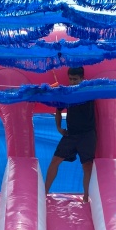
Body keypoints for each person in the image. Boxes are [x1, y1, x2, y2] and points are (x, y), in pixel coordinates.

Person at [44, 67, 97, 203]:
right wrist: (58, 127)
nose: (72, 82)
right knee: (55, 161)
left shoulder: (89, 90)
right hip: (71, 134)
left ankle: (86, 197)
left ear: (82, 79)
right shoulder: (66, 93)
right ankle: (44, 192)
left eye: (75, 79)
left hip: (87, 134)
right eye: (71, 79)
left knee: (87, 165)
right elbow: (58, 110)